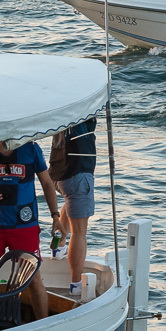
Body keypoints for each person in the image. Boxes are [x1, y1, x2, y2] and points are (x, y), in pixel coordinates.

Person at [0, 139, 62, 320]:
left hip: (25, 225)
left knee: (33, 277)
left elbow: (47, 184)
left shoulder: (31, 148)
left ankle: (43, 323)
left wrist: (55, 216)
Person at [49, 117, 98, 296]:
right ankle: (76, 284)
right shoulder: (81, 112)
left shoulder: (64, 113)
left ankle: (58, 246)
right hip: (77, 173)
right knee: (80, 232)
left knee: (70, 203)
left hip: (58, 172)